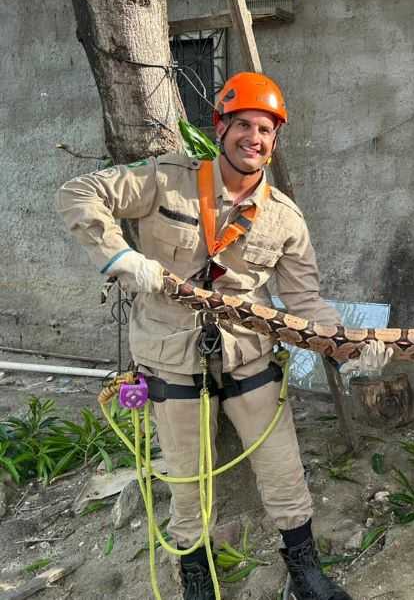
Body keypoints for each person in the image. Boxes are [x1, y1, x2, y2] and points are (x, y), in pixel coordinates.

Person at [56, 72, 382, 600]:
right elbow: (79, 192)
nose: (255, 137)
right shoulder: (165, 179)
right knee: (187, 480)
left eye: (266, 130)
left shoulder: (285, 218)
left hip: (249, 361)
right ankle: (196, 575)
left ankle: (305, 572)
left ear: (275, 141)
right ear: (221, 127)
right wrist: (120, 257)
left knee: (284, 471)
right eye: (244, 124)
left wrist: (348, 346)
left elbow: (305, 301)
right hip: (172, 361)